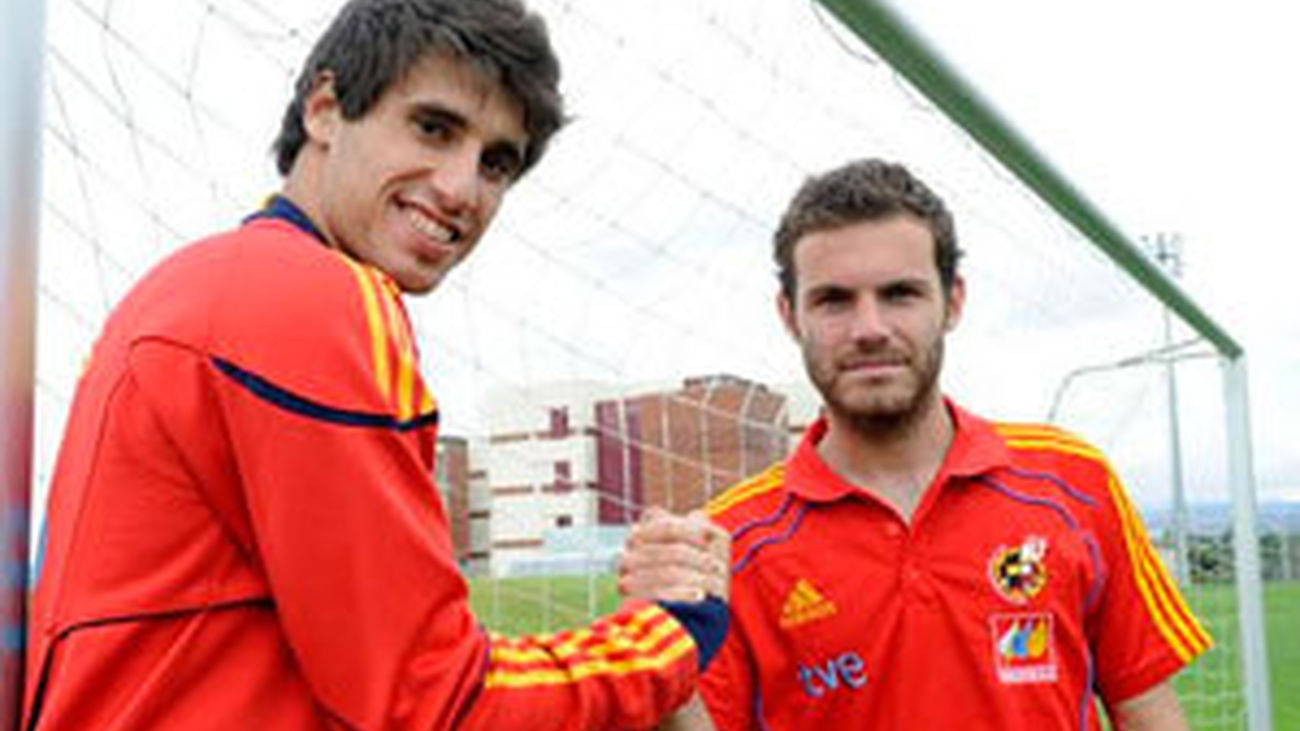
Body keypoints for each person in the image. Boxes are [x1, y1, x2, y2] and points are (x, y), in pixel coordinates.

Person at [22, 1, 729, 729]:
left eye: (495, 163)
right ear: (325, 110)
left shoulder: (187, 286)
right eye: (434, 127)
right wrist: (670, 635)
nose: (460, 189)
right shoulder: (313, 297)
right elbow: (434, 700)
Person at [662, 159, 1211, 730]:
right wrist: (662, 666)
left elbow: (1149, 711)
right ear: (790, 316)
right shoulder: (731, 543)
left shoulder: (1073, 481)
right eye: (834, 300)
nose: (869, 328)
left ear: (953, 302)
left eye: (900, 294)